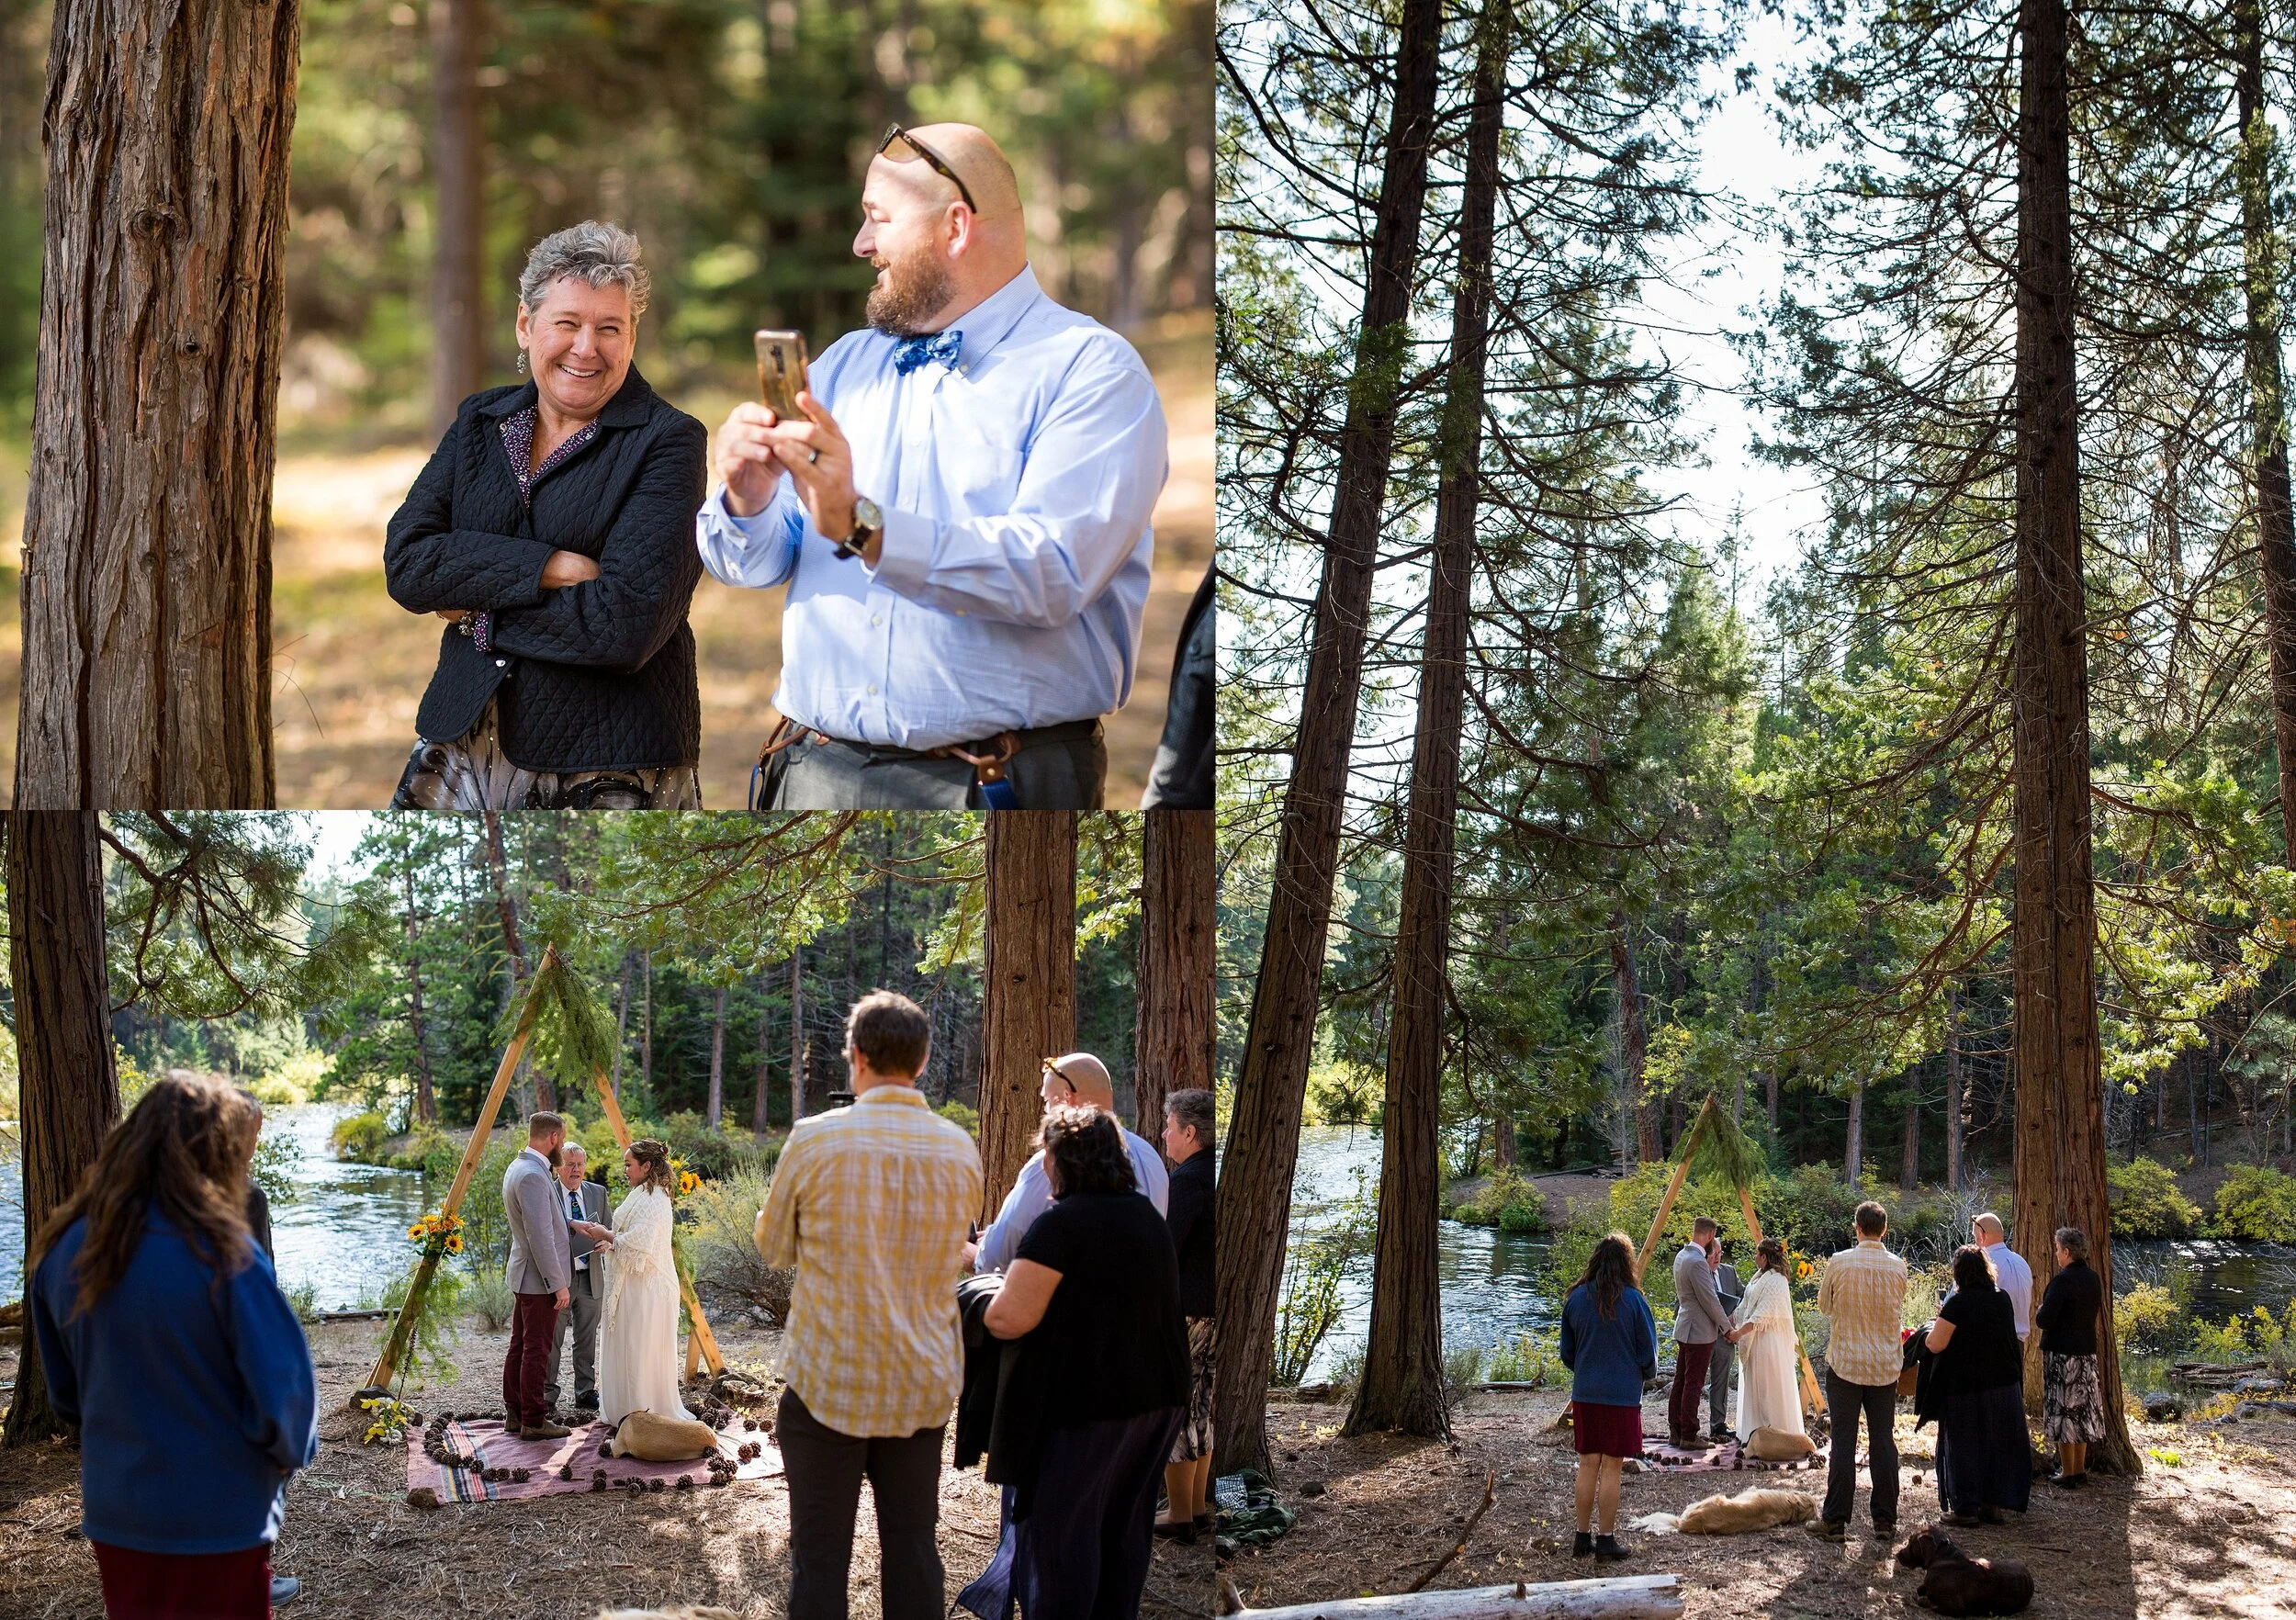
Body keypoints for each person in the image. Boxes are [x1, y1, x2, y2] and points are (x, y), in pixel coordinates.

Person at [699, 123, 1169, 809]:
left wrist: (863, 528)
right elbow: (751, 565)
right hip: (810, 776)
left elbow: (1053, 573)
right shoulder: (840, 367)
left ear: (954, 226)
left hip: (994, 787)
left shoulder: (1091, 371)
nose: (860, 244)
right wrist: (746, 499)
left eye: (877, 220)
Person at [385, 219, 709, 808]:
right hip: (460, 742)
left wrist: (475, 610)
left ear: (632, 337)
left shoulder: (669, 441)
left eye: (609, 328)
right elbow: (408, 564)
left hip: (609, 759)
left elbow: (626, 625)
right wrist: (549, 566)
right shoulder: (481, 421)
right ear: (525, 325)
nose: (587, 348)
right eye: (567, 323)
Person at [29, 1076, 319, 1620]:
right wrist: (278, 1460)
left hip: (120, 1515)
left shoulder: (65, 1249)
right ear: (213, 1154)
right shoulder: (224, 1255)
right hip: (219, 1515)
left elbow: (67, 1398)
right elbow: (286, 1398)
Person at [754, 990, 983, 1620]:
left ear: (855, 1056)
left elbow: (773, 1249)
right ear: (924, 1058)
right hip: (921, 1381)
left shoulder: (814, 1140)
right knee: (913, 1548)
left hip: (829, 1378)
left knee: (820, 1558)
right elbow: (956, 1249)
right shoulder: (960, 1148)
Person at [983, 1107, 1190, 1619]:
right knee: (1122, 1529)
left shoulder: (1061, 1226)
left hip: (1090, 1409)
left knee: (1062, 1538)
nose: (1043, 1163)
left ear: (1063, 1160)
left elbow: (1009, 1319)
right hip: (1158, 1401)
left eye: (1046, 1153)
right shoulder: (1145, 1217)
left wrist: (976, 1297)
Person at [971, 1052, 1168, 1272]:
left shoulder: (1053, 1162)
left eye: (1046, 1100)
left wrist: (974, 1256)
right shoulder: (1151, 1157)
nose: (1044, 1110)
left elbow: (997, 1255)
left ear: (1067, 1098)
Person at [501, 1111, 613, 1439]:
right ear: (552, 1138)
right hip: (539, 1281)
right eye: (561, 1140)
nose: (561, 1145)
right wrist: (559, 1284)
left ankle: (515, 1413)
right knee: (536, 1350)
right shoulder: (535, 1175)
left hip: (524, 1276)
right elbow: (540, 1237)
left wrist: (571, 1224)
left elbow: (544, 1222)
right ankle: (534, 1421)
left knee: (519, 1346)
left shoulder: (520, 1166)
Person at [1808, 1200, 1908, 1540]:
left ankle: (1835, 1519)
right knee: (1883, 1440)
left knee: (1843, 1442)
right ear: (1884, 1229)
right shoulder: (1898, 1266)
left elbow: (1824, 1306)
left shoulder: (1839, 1262)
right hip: (1884, 1366)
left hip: (1847, 1362)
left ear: (1857, 1227)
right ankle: (1885, 1520)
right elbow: (1898, 1304)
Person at [1558, 1232, 1659, 1562]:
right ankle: (1606, 1540)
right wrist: (1643, 1373)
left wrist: (1586, 1369)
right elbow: (1649, 1354)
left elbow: (1567, 1354)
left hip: (1586, 1394)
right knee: (1612, 1467)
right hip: (1621, 1397)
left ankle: (1581, 1537)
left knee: (1587, 1463)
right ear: (1626, 1264)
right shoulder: (1634, 1301)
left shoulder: (1575, 1299)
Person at [1921, 1243, 2032, 1524]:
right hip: (2004, 1384)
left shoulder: (1958, 1303)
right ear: (1986, 1270)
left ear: (1959, 1273)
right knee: (1996, 1445)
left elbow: (1935, 1344)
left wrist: (1928, 1330)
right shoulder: (2002, 1298)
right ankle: (1992, 1503)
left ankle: (1966, 1508)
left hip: (1967, 1387)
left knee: (1965, 1446)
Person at [1155, 1087, 1216, 1540]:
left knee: (1178, 1404)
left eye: (1170, 1127)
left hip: (1189, 1313)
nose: (1164, 1134)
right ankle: (1195, 1509)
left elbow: (1163, 1248)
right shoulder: (1212, 1172)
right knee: (1202, 1407)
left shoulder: (1190, 1180)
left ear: (1189, 1132)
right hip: (1211, 1312)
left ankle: (1179, 1515)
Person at [598, 1139, 689, 1427]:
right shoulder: (642, 1193)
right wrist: (610, 1243)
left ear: (647, 1166)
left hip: (648, 1289)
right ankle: (628, 1410)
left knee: (639, 1350)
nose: (625, 1170)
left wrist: (607, 1235)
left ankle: (642, 1413)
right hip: (635, 1285)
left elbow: (641, 1243)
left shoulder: (653, 1199)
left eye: (629, 1164)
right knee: (631, 1348)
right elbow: (629, 1238)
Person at [2036, 1226, 2107, 1489]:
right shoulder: (2092, 1278)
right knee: (2082, 1412)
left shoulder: (2062, 1281)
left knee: (2063, 1412)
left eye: (2057, 1249)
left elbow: (2045, 1319)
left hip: (2063, 1355)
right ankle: (2078, 1469)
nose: (2056, 1254)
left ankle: (2067, 1472)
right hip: (2086, 1353)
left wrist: (2040, 1310)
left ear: (2067, 1252)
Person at [544, 1142, 610, 1417]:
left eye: (580, 1164)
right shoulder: (548, 1193)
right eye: (570, 1164)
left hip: (591, 1275)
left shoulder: (598, 1192)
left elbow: (608, 1228)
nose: (576, 1169)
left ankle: (585, 1392)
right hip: (561, 1278)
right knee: (553, 1338)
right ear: (559, 1167)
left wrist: (606, 1242)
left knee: (586, 1338)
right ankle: (547, 1395)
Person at [1724, 1238, 1806, 1445]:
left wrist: (1738, 1333)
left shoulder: (1777, 1280)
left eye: (1757, 1254)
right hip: (1755, 1341)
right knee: (1756, 1386)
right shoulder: (1759, 1277)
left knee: (1769, 1388)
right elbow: (1745, 1306)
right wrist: (1728, 1321)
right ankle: (1754, 1434)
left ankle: (1777, 1434)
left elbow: (1761, 1316)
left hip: (1769, 1341)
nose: (1754, 1257)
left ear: (1765, 1257)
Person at [1668, 1217, 1731, 1447]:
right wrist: (1727, 1328)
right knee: (1693, 1383)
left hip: (1685, 1325)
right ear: (1710, 1234)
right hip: (1700, 1331)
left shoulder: (1681, 1256)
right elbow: (1710, 1300)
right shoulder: (1697, 1262)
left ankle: (1675, 1429)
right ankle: (1689, 1433)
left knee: (1681, 1380)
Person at [1967, 1212, 2034, 1348]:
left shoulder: (1980, 1264)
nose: (1975, 1242)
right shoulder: (2021, 1262)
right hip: (2017, 1345)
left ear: (1982, 1235)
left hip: (1989, 1344)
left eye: (1975, 1237)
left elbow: (1960, 1302)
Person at [1705, 1236, 1745, 1442]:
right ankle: (1686, 1427)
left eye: (1720, 1253)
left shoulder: (1729, 1272)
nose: (1717, 1258)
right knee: (1693, 1383)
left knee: (1721, 1381)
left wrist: (1734, 1317)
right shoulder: (1697, 1271)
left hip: (1726, 1337)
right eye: (1713, 1254)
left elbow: (1745, 1296)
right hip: (1702, 1336)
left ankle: (1718, 1425)